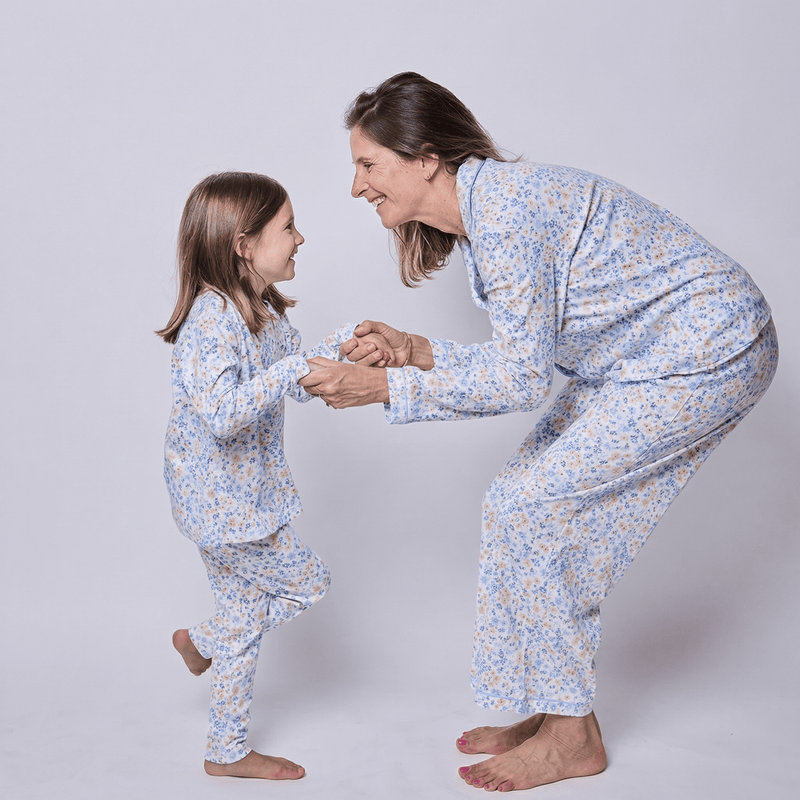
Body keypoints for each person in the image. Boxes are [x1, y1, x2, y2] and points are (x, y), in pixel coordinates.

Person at [299, 72, 779, 792]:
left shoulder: (508, 211)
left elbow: (522, 384)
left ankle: (572, 735)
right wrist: (414, 351)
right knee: (517, 503)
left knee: (533, 507)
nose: (356, 186)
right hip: (641, 355)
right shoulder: (485, 216)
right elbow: (521, 363)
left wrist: (385, 388)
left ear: (425, 158)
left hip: (709, 344)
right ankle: (558, 710)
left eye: (368, 164)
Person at [157, 172, 388, 780]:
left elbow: (298, 382)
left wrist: (344, 349)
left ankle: (226, 749)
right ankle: (203, 641)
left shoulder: (264, 314)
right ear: (243, 244)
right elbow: (222, 413)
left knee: (244, 613)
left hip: (248, 499)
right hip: (219, 503)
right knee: (307, 582)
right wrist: (290, 373)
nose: (300, 238)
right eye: (288, 228)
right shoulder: (211, 320)